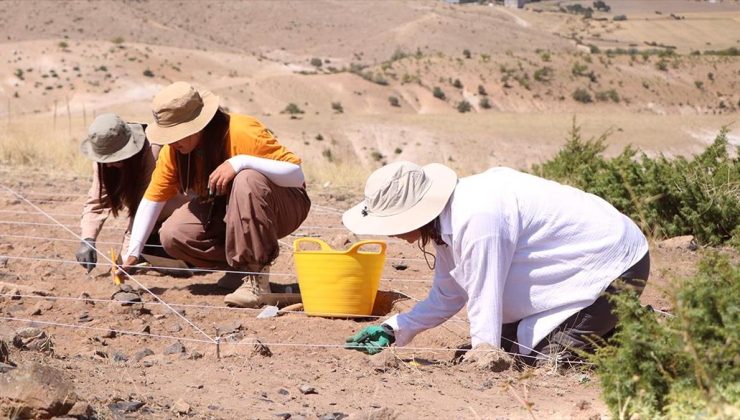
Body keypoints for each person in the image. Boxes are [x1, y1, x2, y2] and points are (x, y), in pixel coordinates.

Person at [342, 161, 650, 365]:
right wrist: (394, 328)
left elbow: (483, 291)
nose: (394, 234)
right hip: (576, 268)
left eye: (393, 224)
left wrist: (485, 355)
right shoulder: (447, 221)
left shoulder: (477, 218)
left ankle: (626, 334)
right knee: (506, 345)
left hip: (614, 267)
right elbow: (449, 294)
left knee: (538, 360)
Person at [120, 82, 311, 308]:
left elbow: (296, 176)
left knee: (246, 179)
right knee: (174, 234)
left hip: (283, 205)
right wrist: (133, 251)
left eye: (177, 133)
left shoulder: (241, 131)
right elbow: (154, 199)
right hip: (230, 210)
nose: (172, 141)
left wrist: (240, 162)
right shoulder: (174, 151)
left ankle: (256, 279)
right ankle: (238, 271)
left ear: (197, 125)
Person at [75, 113, 189, 272]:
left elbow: (144, 208)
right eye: (106, 159)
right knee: (148, 254)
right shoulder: (102, 162)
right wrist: (87, 240)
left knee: (169, 244)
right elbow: (97, 203)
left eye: (114, 157)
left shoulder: (152, 152)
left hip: (173, 211)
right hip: (149, 218)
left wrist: (127, 257)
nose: (109, 165)